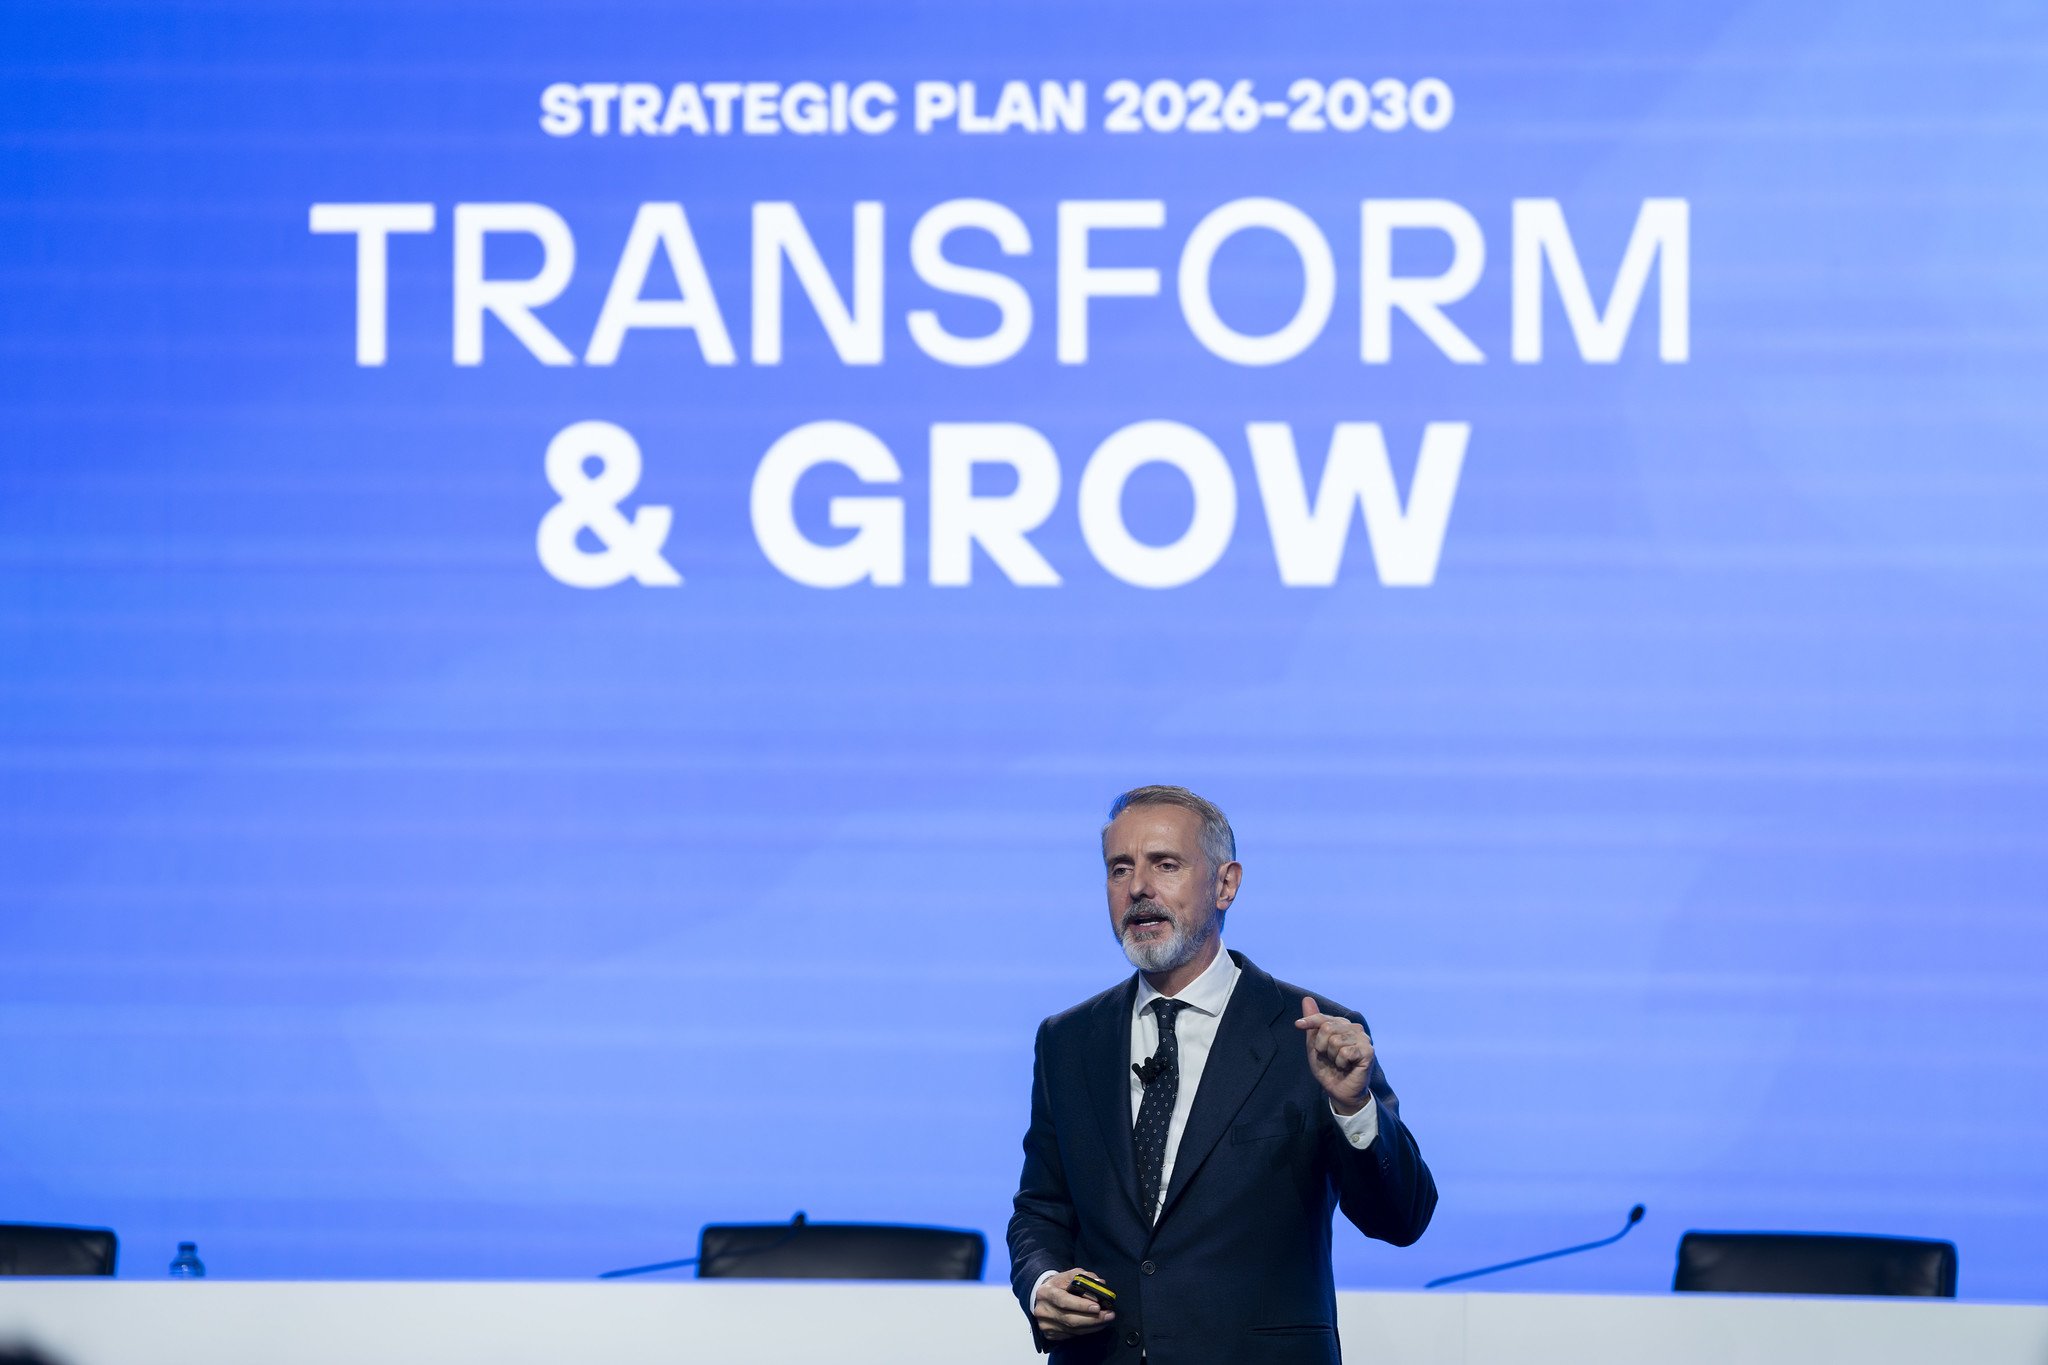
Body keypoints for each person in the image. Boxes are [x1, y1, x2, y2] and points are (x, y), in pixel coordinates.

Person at [1007, 785, 1436, 1365]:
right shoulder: (1067, 1040)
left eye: (1165, 865)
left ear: (1226, 884)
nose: (1138, 888)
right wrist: (1042, 1282)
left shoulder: (1311, 1035)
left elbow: (1401, 1219)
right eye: (1119, 869)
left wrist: (1354, 1110)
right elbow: (1041, 1209)